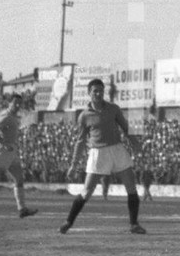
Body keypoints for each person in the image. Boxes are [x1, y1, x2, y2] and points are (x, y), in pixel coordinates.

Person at [61, 78, 146, 234]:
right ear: (89, 93)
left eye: (101, 91)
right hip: (98, 153)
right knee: (86, 192)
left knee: (131, 187)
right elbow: (80, 141)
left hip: (117, 150)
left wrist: (135, 143)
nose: (99, 94)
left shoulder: (113, 109)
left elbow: (126, 127)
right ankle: (68, 222)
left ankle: (134, 224)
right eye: (95, 91)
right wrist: (74, 165)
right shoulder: (84, 116)